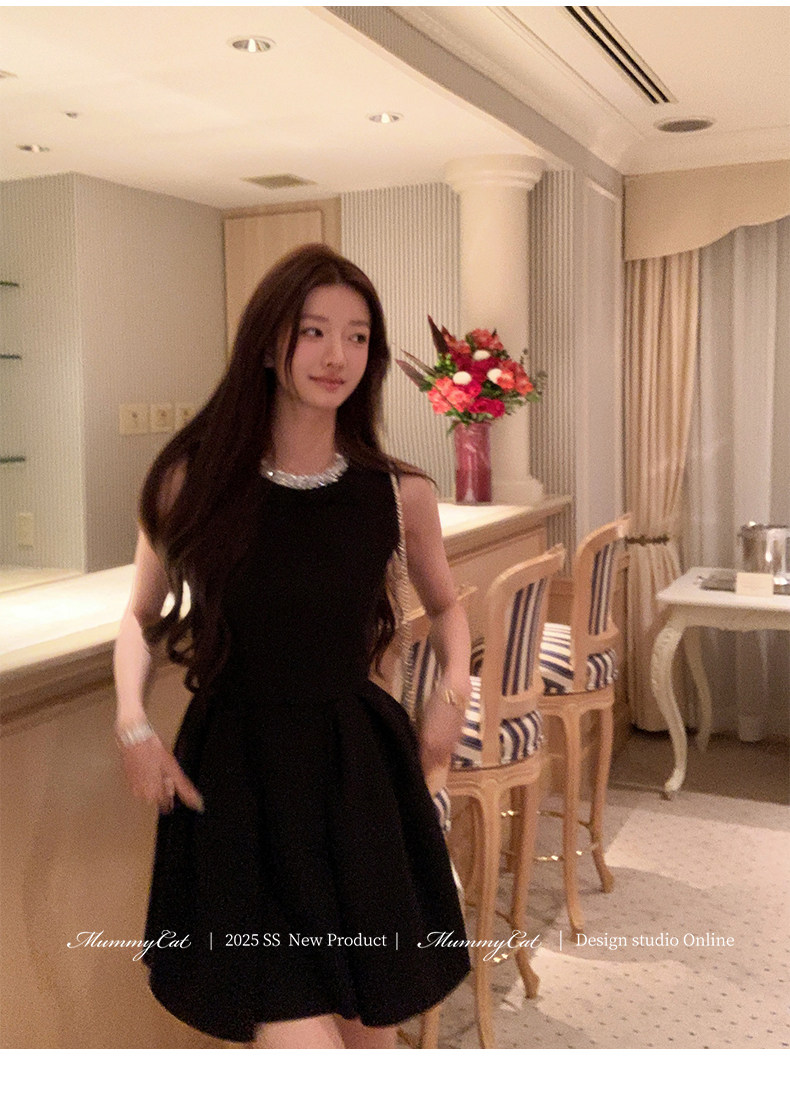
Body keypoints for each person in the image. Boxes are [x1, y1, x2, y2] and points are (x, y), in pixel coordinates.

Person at [113, 243, 472, 1049]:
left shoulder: (397, 491)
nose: (336, 354)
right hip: (237, 783)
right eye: (314, 331)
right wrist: (133, 722)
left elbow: (448, 607)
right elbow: (139, 615)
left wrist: (453, 694)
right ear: (269, 341)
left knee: (370, 1035)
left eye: (357, 336)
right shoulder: (190, 479)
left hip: (358, 779)